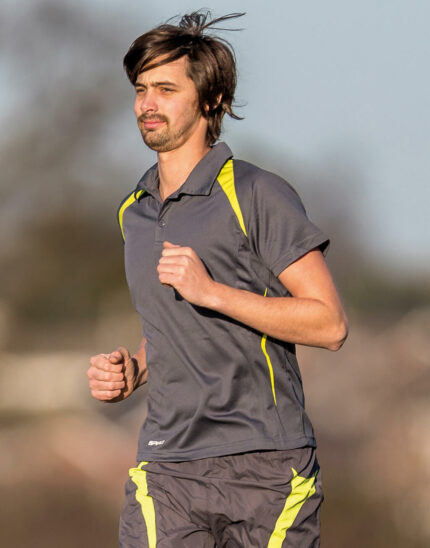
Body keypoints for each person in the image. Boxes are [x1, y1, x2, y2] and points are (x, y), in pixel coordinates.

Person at [87, 10, 348, 548]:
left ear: (212, 100)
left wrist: (212, 292)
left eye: (165, 89)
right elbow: (173, 327)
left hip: (266, 464)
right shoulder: (134, 212)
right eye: (140, 89)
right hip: (166, 466)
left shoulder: (256, 192)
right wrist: (135, 370)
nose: (147, 104)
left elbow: (329, 324)